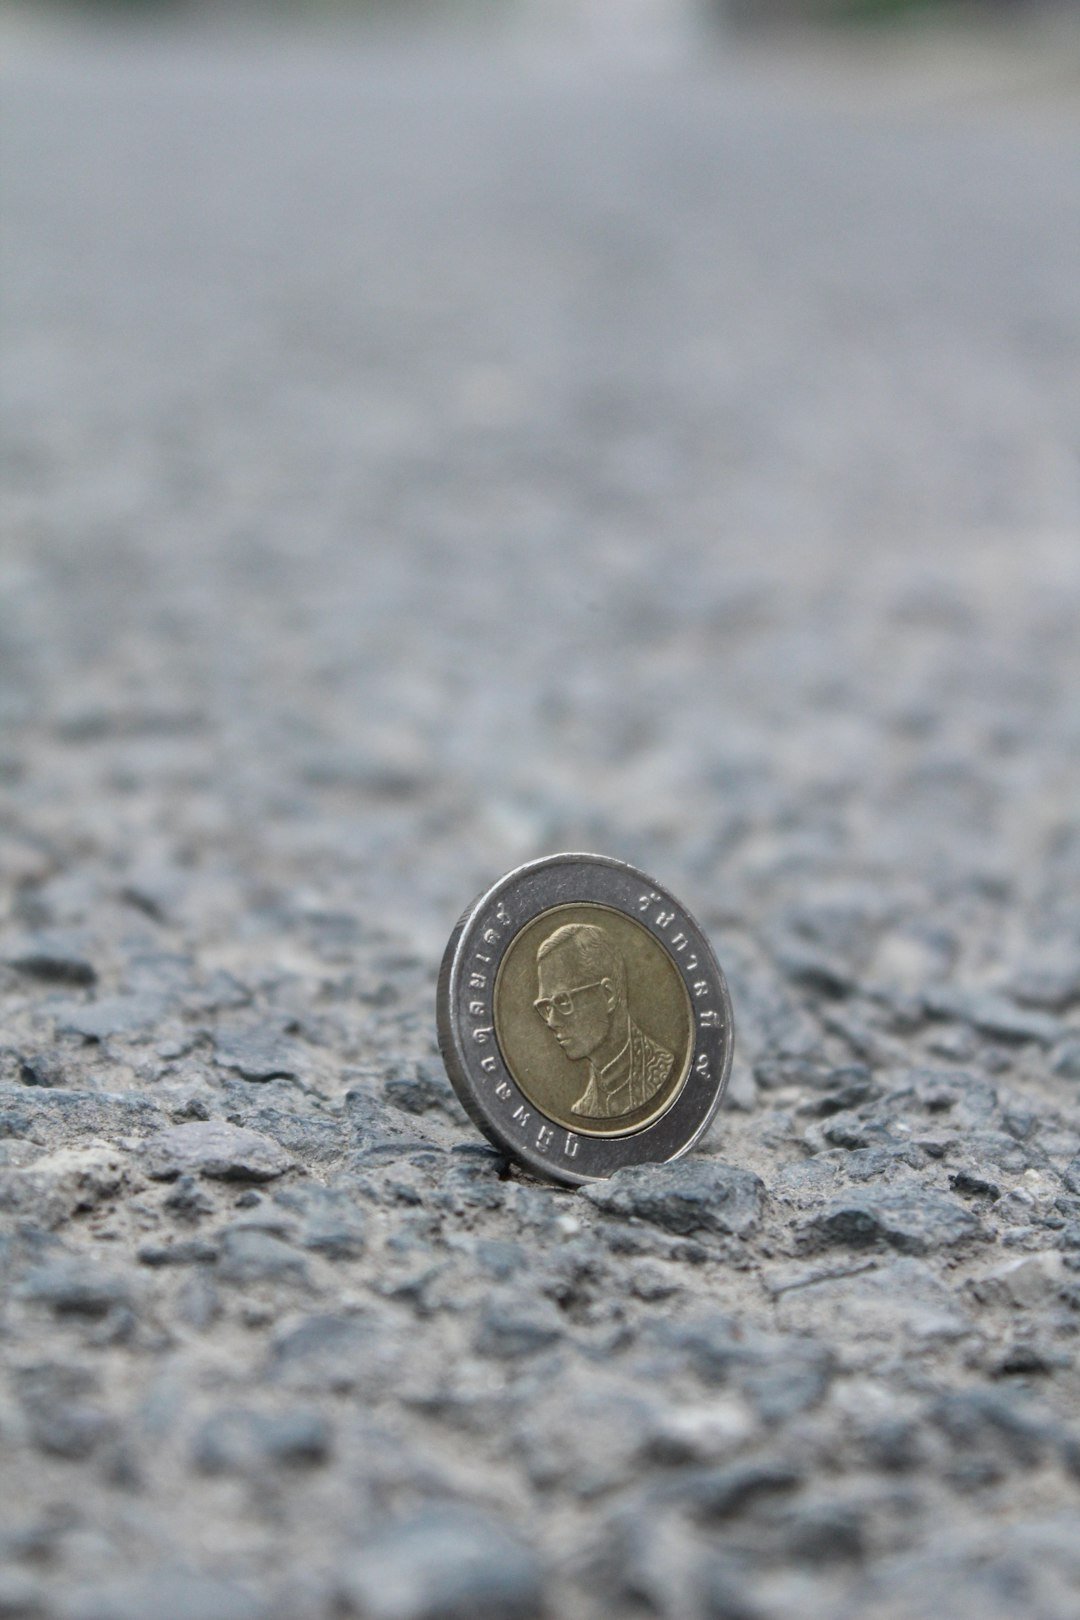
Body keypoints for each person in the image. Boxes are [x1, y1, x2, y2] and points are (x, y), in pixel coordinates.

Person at [533, 921, 673, 1119]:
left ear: (608, 995)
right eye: (546, 1007)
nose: (552, 1021)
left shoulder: (663, 1071)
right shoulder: (584, 1109)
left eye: (563, 1001)